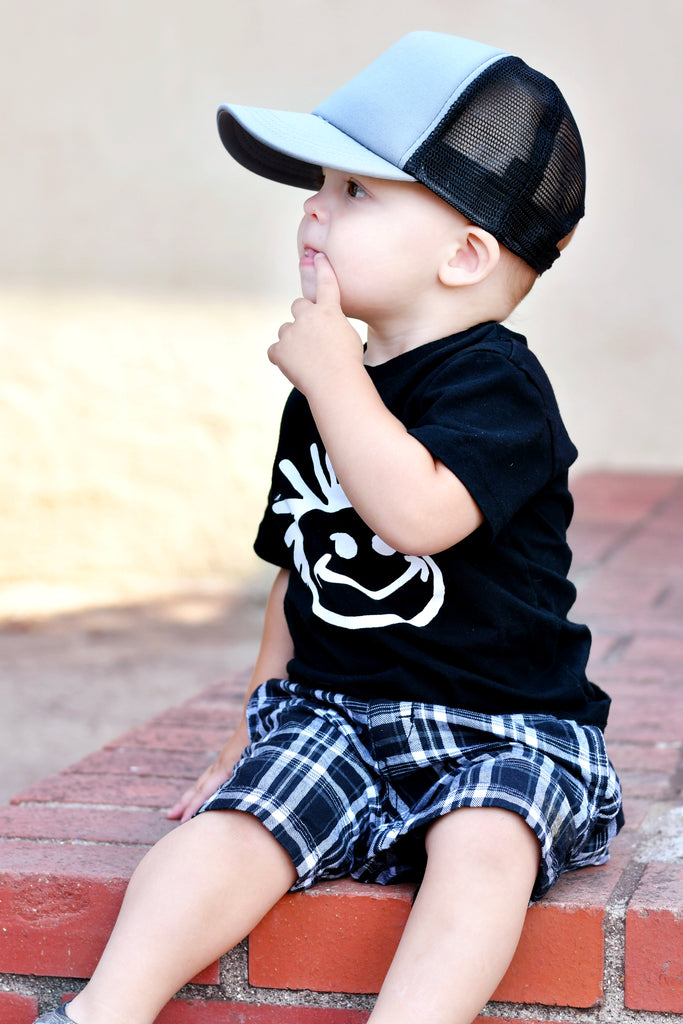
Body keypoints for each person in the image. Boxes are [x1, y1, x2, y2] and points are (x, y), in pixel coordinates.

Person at [34, 30, 623, 1024]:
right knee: (235, 825)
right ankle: (104, 1009)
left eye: (357, 191)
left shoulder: (497, 386)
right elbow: (297, 570)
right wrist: (249, 730)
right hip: (340, 715)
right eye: (320, 183)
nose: (314, 206)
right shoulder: (326, 386)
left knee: (487, 840)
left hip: (501, 725)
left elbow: (421, 514)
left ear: (464, 253)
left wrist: (335, 379)